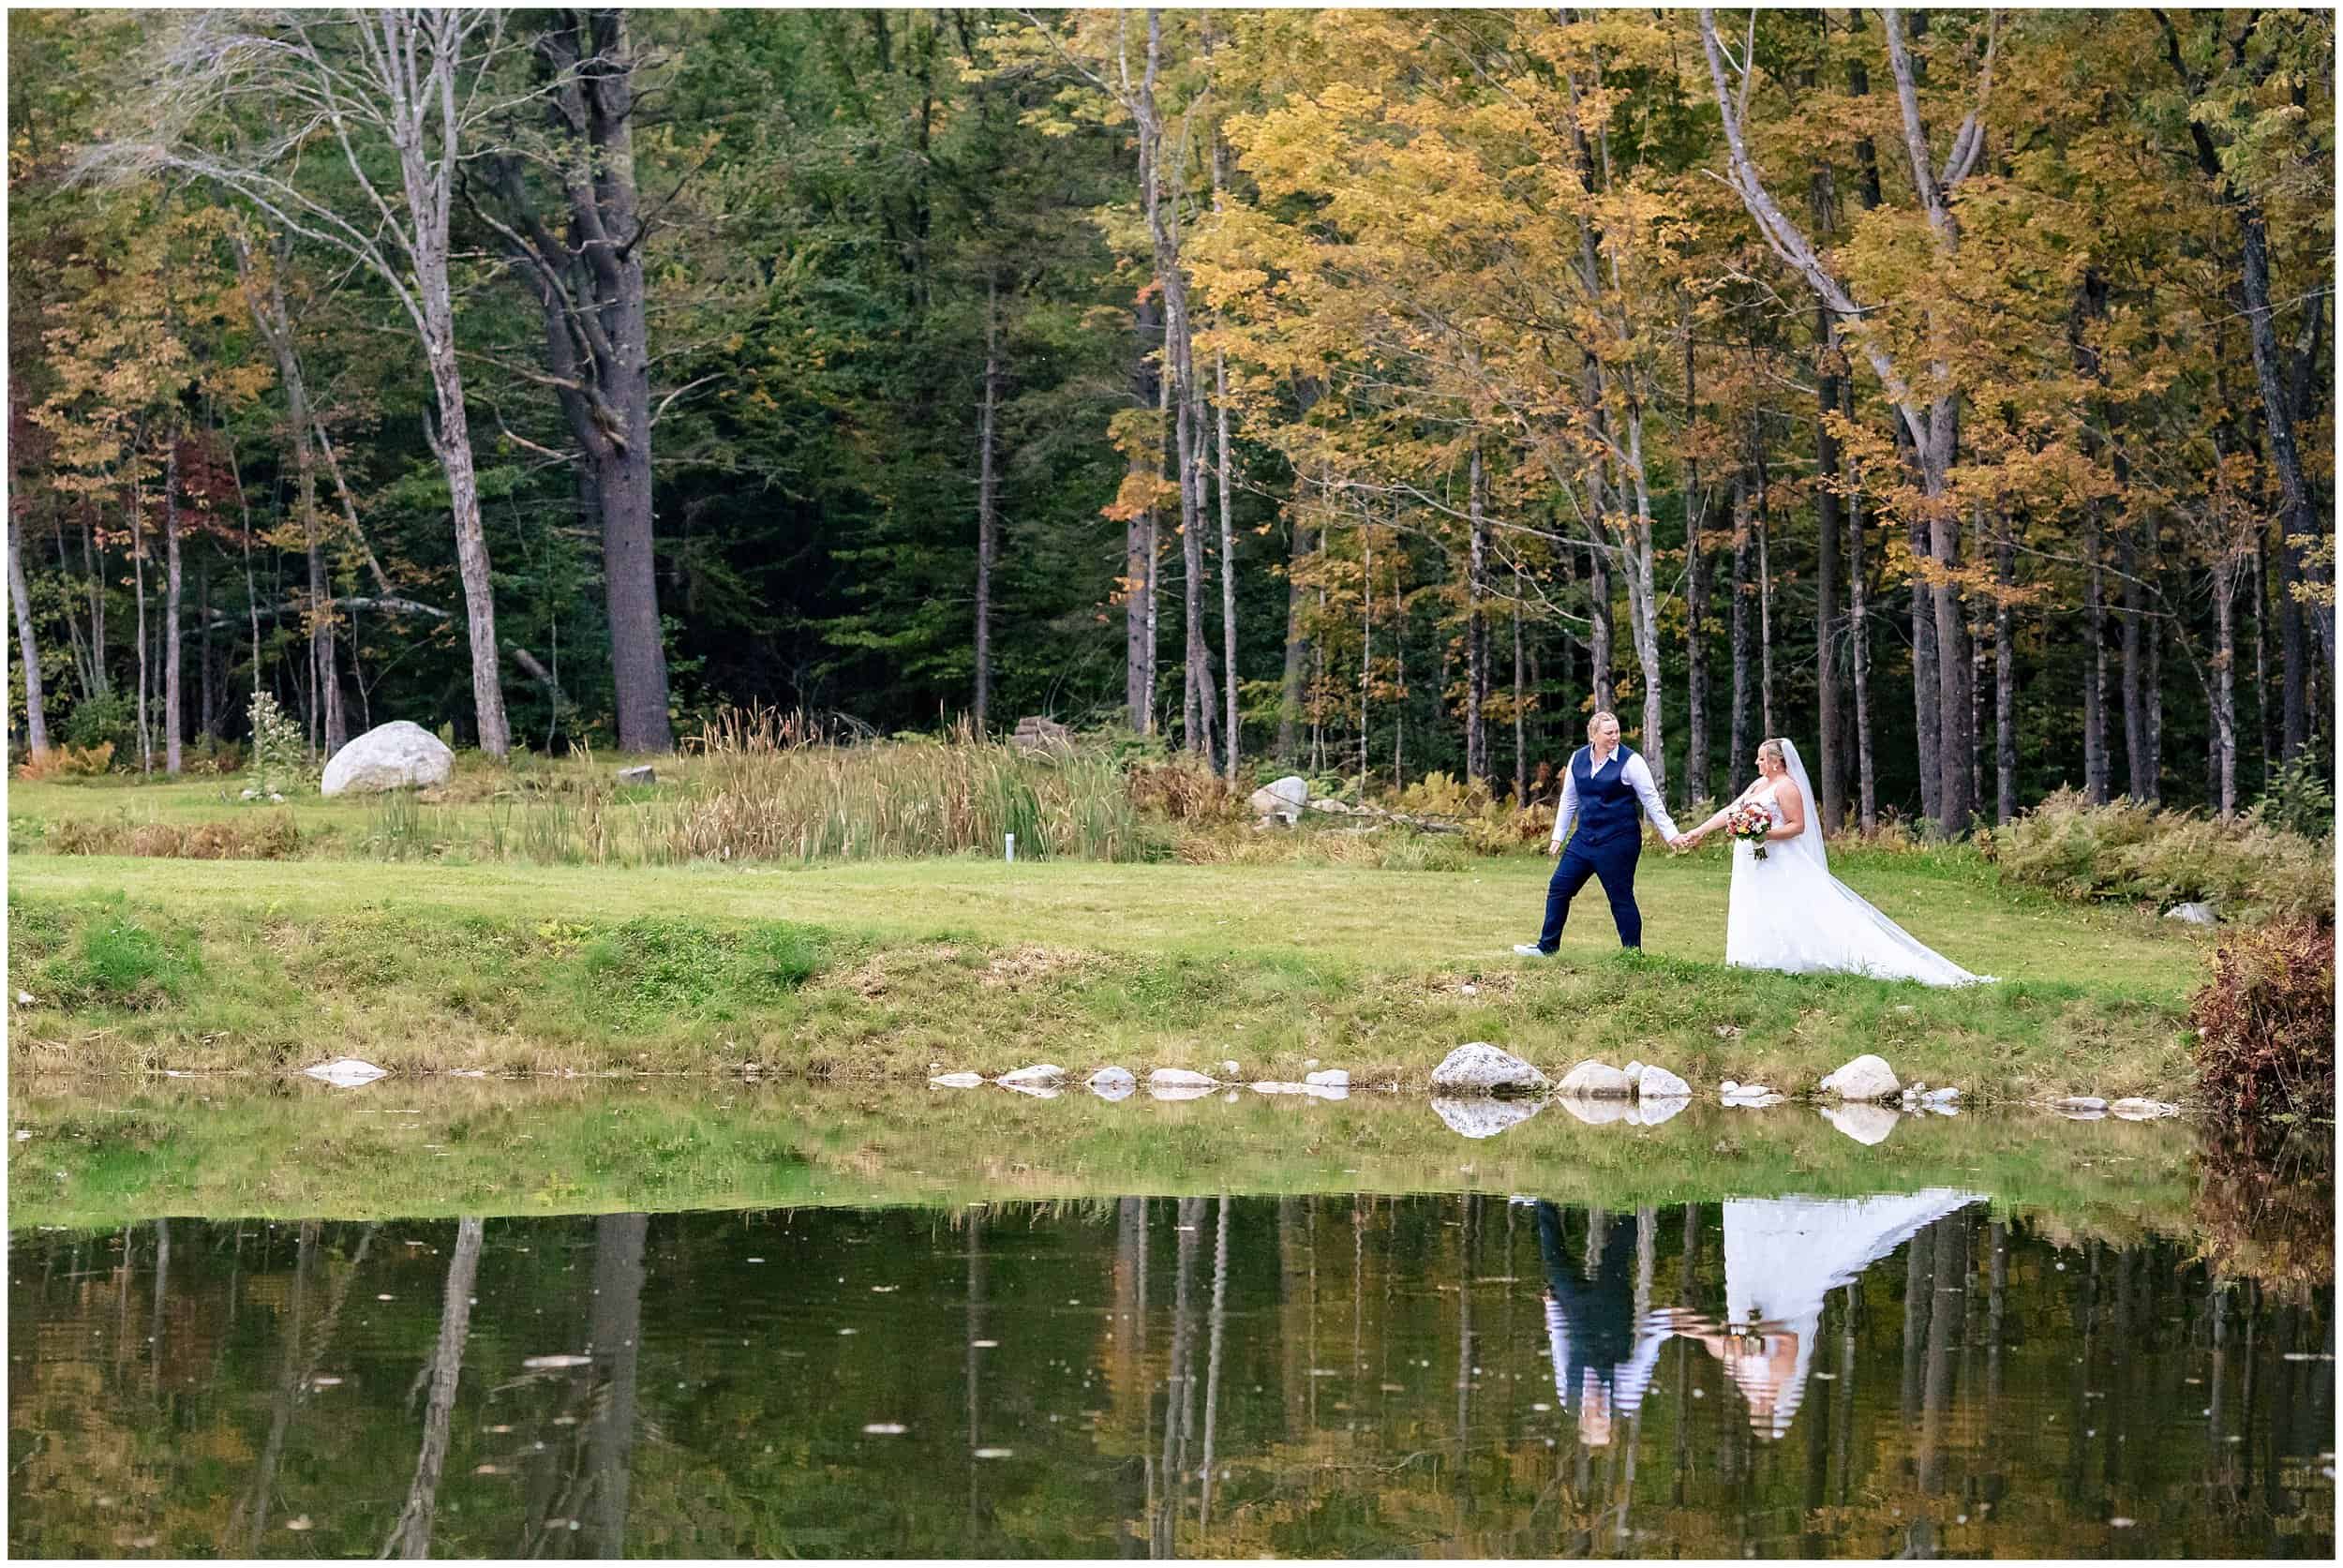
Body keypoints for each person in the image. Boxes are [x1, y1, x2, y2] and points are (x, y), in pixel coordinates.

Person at [1675, 738, 1995, 986]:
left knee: (1789, 906)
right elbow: (1732, 811)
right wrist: (1698, 831)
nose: (1757, 762)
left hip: (1778, 857)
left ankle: (1793, 958)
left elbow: (1797, 826)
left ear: (1775, 762)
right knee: (1756, 905)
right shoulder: (1760, 785)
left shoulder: (1786, 788)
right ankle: (1756, 959)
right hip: (1752, 861)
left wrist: (1764, 834)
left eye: (1761, 758)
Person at [1515, 711, 1681, 958]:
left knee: (1620, 896)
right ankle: (1547, 947)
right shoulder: (1578, 759)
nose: (1615, 736)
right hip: (1584, 838)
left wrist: (1671, 835)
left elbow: (1651, 801)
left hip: (1618, 840)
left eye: (1617, 731)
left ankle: (1632, 955)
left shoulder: (1631, 761)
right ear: (1594, 735)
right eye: (1609, 732)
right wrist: (1558, 836)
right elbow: (1570, 798)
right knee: (1559, 887)